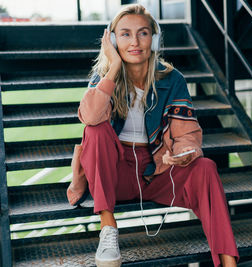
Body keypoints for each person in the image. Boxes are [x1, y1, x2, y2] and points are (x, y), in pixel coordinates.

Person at [67, 4, 239, 267]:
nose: (135, 42)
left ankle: (228, 263)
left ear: (154, 38)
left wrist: (185, 153)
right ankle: (108, 228)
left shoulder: (173, 79)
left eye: (143, 33)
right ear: (112, 40)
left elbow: (187, 133)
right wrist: (113, 67)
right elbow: (89, 116)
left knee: (205, 167)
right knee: (96, 129)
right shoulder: (103, 77)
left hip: (159, 169)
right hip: (116, 173)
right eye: (125, 34)